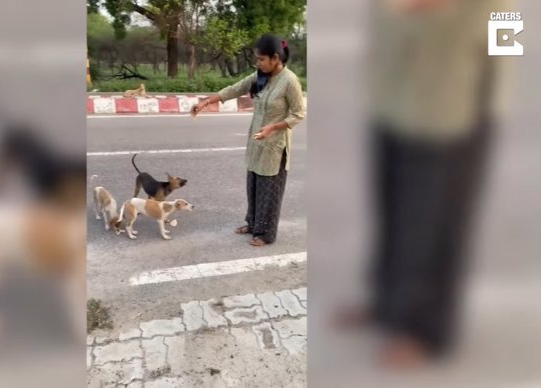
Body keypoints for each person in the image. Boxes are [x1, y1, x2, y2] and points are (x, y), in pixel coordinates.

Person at [335, 0, 512, 368]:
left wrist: (485, 124)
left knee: (437, 227)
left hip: (450, 122)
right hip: (391, 113)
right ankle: (386, 305)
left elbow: (506, 51)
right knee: (392, 216)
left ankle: (429, 331)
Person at [191, 34, 305, 247]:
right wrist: (206, 102)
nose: (258, 63)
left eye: (261, 59)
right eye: (257, 59)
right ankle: (252, 224)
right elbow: (235, 89)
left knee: (269, 191)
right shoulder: (259, 76)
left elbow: (298, 114)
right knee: (253, 187)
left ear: (275, 58)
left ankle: (265, 233)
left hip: (274, 146)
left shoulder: (290, 81)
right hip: (256, 142)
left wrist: (273, 127)